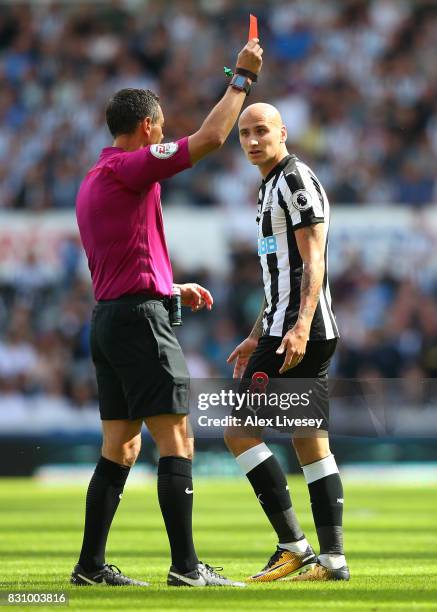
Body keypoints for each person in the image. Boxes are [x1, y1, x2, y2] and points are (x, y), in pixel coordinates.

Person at [71, 40, 263, 588]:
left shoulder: (93, 180)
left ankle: (89, 567)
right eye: (160, 127)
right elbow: (209, 139)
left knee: (121, 446)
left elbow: (118, 256)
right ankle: (186, 567)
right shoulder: (132, 168)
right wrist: (241, 80)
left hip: (109, 318)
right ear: (150, 127)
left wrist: (166, 285)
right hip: (137, 322)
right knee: (177, 437)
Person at [224, 103, 349, 581]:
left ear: (283, 132)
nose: (253, 140)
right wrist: (256, 331)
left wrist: (297, 326)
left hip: (295, 334)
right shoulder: (268, 186)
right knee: (311, 443)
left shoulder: (294, 181)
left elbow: (314, 260)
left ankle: (293, 545)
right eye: (245, 134)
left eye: (262, 131)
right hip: (287, 330)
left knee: (238, 430)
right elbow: (280, 274)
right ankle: (332, 560)